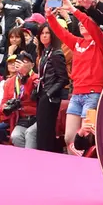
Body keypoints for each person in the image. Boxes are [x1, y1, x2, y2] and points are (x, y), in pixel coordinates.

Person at [46, 0, 103, 155]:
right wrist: (49, 15)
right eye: (79, 23)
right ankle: (77, 167)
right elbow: (60, 33)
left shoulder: (102, 43)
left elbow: (89, 23)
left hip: (93, 95)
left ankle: (88, 168)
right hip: (76, 95)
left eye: (84, 22)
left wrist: (73, 10)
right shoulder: (77, 43)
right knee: (69, 138)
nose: (81, 24)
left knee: (86, 139)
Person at [35, 22, 69, 152]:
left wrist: (49, 93)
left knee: (46, 130)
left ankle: (47, 157)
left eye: (47, 33)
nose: (44, 36)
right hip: (42, 94)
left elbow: (63, 78)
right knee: (42, 130)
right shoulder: (44, 52)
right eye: (42, 33)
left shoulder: (56, 53)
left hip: (50, 97)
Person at [0, 52, 39, 148]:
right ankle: (24, 159)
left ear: (32, 65)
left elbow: (30, 95)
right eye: (18, 62)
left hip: (37, 118)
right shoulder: (9, 82)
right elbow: (3, 101)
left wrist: (25, 73)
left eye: (25, 62)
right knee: (15, 136)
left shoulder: (36, 78)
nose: (20, 64)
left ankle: (31, 160)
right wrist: (5, 107)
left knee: (30, 134)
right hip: (21, 118)